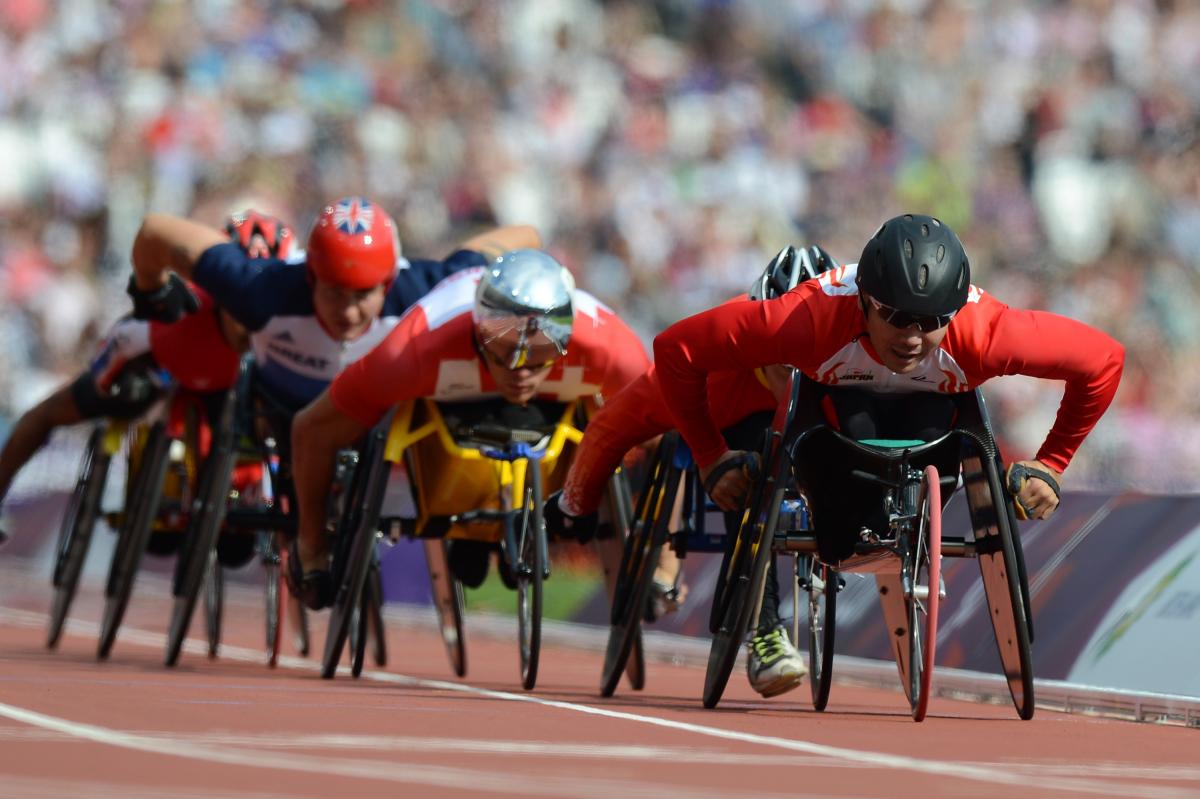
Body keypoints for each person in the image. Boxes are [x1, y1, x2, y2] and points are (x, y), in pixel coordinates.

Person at [652, 213, 1124, 570]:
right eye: (896, 317)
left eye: (932, 321)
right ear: (863, 302)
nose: (913, 336)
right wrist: (710, 455)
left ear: (954, 313)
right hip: (837, 414)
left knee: (936, 435)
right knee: (837, 531)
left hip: (936, 414)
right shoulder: (806, 321)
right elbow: (675, 349)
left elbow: (1104, 361)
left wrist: (1052, 463)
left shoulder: (987, 333)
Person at [544, 244, 838, 698]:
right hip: (728, 446)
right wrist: (574, 503)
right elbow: (609, 428)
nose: (796, 360)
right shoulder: (715, 358)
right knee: (752, 457)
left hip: (819, 440)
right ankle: (764, 632)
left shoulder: (861, 357)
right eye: (783, 346)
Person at [289, 248, 651, 609]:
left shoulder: (610, 348)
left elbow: (665, 432)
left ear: (567, 341)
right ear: (477, 333)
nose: (521, 369)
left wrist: (663, 560)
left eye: (540, 353)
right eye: (504, 348)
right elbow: (313, 429)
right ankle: (465, 526)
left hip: (547, 408)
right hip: (449, 397)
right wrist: (312, 544)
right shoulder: (414, 348)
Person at [0, 212, 296, 547]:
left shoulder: (292, 323)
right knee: (61, 410)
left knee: (235, 544)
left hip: (227, 391)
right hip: (158, 365)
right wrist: (103, 381)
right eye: (241, 287)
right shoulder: (185, 307)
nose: (250, 304)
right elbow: (126, 337)